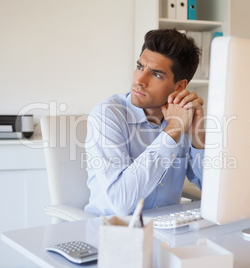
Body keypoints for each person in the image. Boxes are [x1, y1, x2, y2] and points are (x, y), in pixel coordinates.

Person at [84, 29, 205, 216]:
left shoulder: (183, 117)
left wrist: (199, 139)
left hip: (166, 233)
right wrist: (172, 132)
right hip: (110, 231)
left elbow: (215, 190)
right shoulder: (107, 114)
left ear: (180, 86)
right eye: (140, 67)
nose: (139, 80)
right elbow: (120, 203)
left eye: (156, 74)